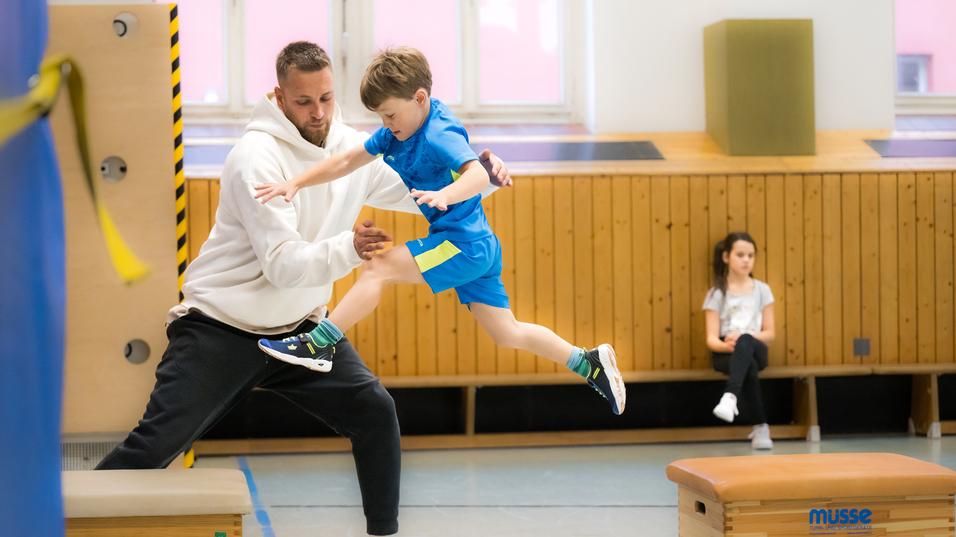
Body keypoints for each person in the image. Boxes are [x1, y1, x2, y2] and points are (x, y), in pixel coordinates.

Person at [95, 41, 513, 536]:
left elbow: (420, 193)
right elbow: (281, 266)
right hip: (222, 328)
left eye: (327, 99)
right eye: (303, 102)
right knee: (153, 447)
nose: (318, 112)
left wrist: (486, 174)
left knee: (376, 413)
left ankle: (384, 531)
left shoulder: (351, 148)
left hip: (301, 332)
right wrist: (350, 248)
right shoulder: (256, 158)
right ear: (279, 96)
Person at [255, 47, 626, 416]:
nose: (386, 124)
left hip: (461, 244)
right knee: (507, 332)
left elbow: (478, 175)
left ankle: (319, 343)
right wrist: (298, 182)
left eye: (390, 115)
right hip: (479, 245)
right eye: (381, 117)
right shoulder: (399, 131)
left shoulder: (437, 134)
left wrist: (444, 195)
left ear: (419, 98)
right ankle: (588, 363)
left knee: (377, 268)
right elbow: (349, 160)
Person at [702, 232, 775, 450]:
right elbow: (711, 339)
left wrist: (746, 338)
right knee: (747, 364)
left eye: (750, 255)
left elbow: (770, 334)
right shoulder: (717, 293)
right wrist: (726, 345)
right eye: (740, 255)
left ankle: (730, 395)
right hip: (727, 351)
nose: (746, 260)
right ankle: (761, 428)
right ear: (726, 257)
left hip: (756, 346)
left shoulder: (763, 290)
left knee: (746, 342)